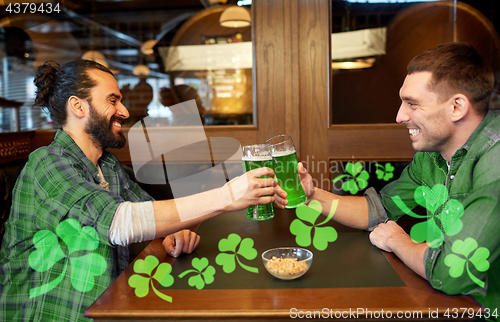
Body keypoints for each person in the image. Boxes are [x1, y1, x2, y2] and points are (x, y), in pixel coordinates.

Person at [0, 59, 285, 321]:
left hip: (109, 307)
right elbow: (119, 223)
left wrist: (173, 228)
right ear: (78, 106)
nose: (124, 111)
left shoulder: (107, 166)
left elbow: (150, 217)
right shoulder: (48, 163)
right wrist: (227, 196)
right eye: (113, 100)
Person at [283, 43, 499, 315]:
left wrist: (399, 240)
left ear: (457, 106)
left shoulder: (495, 162)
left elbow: (452, 270)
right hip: (450, 310)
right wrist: (311, 194)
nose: (399, 116)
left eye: (412, 104)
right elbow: (378, 211)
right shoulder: (431, 156)